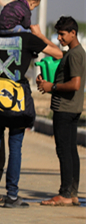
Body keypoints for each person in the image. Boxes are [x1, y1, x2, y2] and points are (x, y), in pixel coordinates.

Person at [0, 11, 62, 208]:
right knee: (15, 147)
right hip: (17, 101)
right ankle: (12, 195)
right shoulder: (28, 39)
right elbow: (58, 53)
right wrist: (38, 35)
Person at [36, 16, 84, 206]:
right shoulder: (74, 53)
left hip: (65, 109)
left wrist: (52, 87)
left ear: (73, 33)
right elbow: (56, 51)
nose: (59, 38)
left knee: (64, 150)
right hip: (71, 108)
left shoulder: (75, 55)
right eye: (58, 34)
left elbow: (75, 84)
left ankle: (64, 193)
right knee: (71, 150)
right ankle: (72, 193)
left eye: (62, 34)